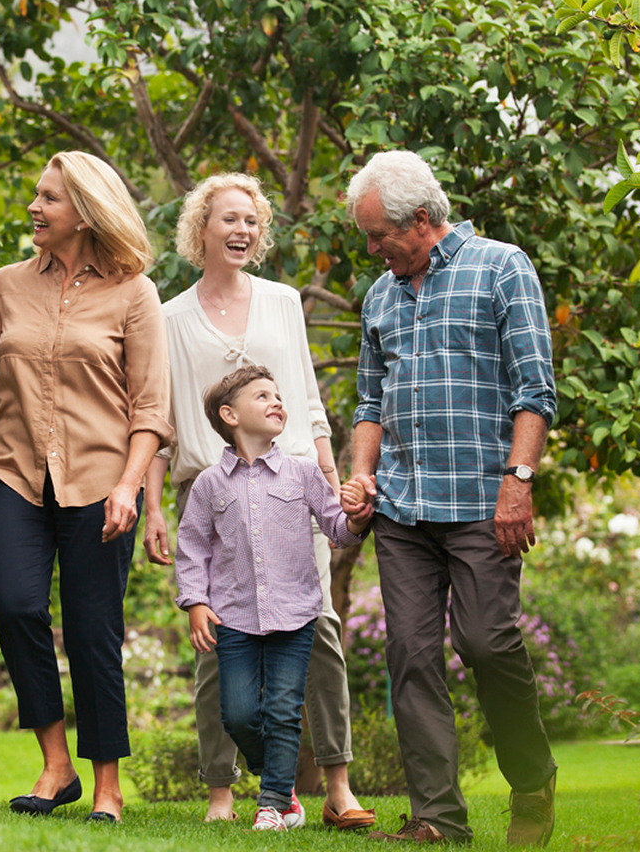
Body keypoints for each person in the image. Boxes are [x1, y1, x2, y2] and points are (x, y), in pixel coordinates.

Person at [142, 172, 376, 830]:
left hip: (290, 484)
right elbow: (160, 425)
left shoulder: (282, 302)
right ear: (201, 230)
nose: (242, 230)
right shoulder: (170, 317)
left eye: (252, 220)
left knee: (320, 630)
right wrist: (155, 506)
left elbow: (306, 402)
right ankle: (222, 789)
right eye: (229, 219)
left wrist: (332, 483)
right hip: (208, 491)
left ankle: (337, 784)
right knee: (217, 638)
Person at [338, 150, 559, 846]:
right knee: (409, 652)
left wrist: (518, 483)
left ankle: (532, 780)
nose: (372, 250)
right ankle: (437, 816)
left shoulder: (502, 267)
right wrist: (362, 475)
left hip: (482, 501)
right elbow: (370, 402)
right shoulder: (381, 295)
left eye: (378, 236)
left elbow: (535, 389)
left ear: (423, 221)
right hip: (402, 507)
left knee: (486, 642)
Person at [0, 151, 172, 824]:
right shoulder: (6, 286)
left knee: (92, 630)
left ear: (84, 210)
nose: (34, 208)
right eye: (36, 196)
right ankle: (56, 764)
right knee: (15, 604)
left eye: (48, 199)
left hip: (102, 480)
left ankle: (107, 783)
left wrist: (131, 487)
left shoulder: (133, 292)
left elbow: (150, 409)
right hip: (12, 471)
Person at [174, 365, 373, 833]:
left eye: (278, 395)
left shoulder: (303, 473)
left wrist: (357, 518)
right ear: (230, 415)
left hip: (296, 615)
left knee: (283, 709)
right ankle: (280, 783)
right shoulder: (208, 485)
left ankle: (274, 804)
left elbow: (337, 530)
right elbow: (192, 547)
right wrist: (195, 602)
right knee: (239, 714)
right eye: (262, 396)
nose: (277, 402)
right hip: (235, 618)